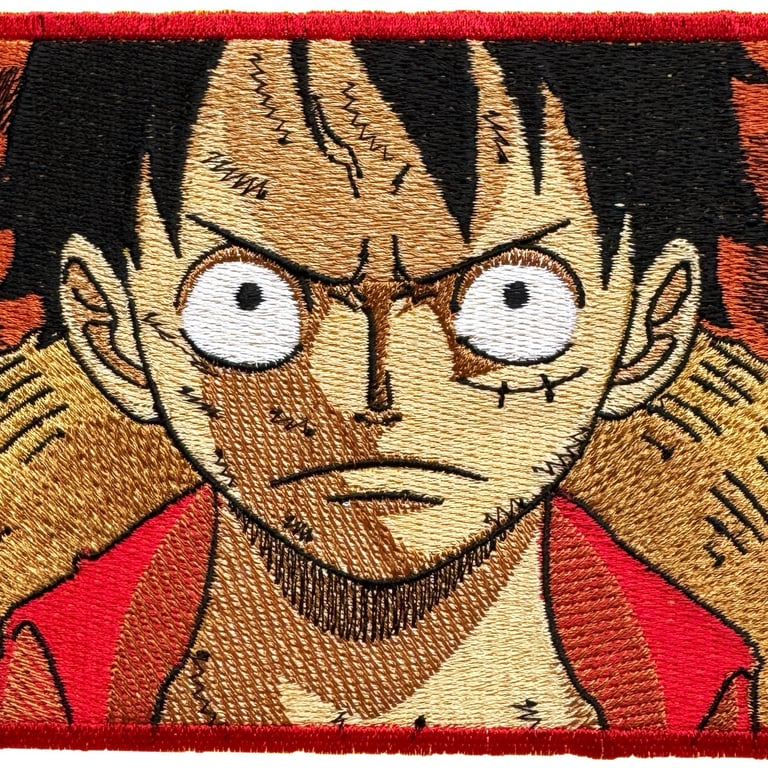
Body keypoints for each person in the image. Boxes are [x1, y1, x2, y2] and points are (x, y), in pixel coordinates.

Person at [0, 38, 763, 729]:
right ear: (111, 330)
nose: (374, 394)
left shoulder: (695, 691)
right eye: (248, 300)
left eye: (513, 301)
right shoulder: (53, 678)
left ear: (650, 326)